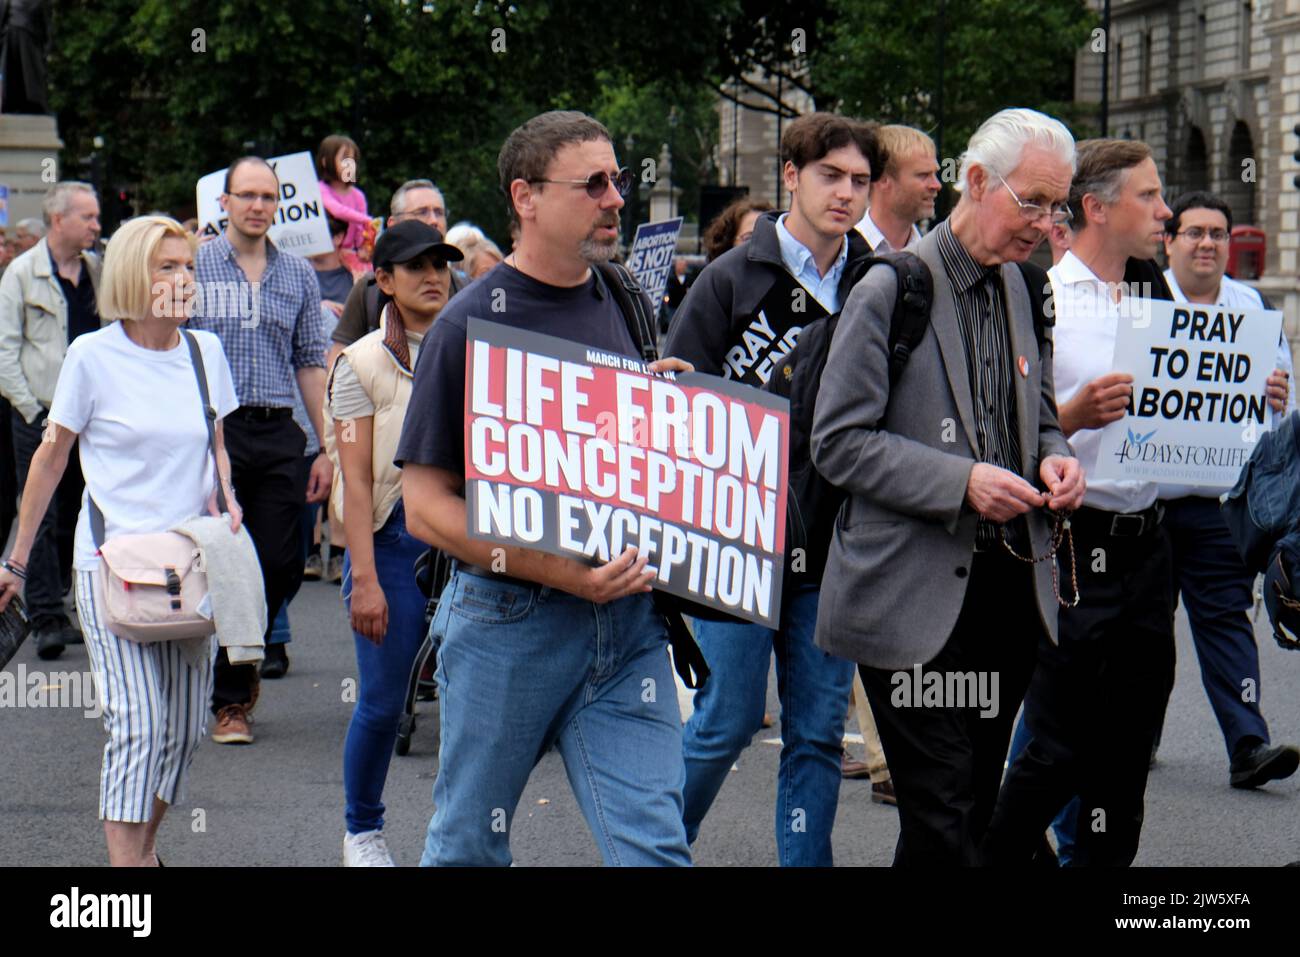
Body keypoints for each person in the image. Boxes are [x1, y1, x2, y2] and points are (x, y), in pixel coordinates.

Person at [396, 109, 694, 867]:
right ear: (525, 196)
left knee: (656, 851)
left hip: (628, 629)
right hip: (509, 627)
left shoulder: (624, 296)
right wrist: (561, 573)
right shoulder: (467, 325)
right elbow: (427, 510)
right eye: (593, 183)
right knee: (468, 845)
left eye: (617, 180)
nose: (615, 199)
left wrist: (666, 415)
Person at [812, 108, 1085, 866]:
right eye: (1031, 200)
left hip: (1005, 598)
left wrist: (1056, 459)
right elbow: (838, 442)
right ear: (974, 182)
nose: (1043, 222)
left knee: (957, 816)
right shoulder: (892, 287)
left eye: (1056, 205)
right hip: (910, 601)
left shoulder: (1028, 290)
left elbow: (1042, 420)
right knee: (943, 812)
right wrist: (961, 481)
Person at [663, 111, 877, 866]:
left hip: (833, 537)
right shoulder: (728, 278)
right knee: (725, 718)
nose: (845, 194)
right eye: (830, 176)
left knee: (817, 729)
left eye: (859, 181)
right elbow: (675, 395)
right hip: (735, 532)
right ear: (791, 176)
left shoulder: (877, 281)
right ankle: (652, 848)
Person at [0, 215, 241, 866]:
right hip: (110, 565)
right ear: (137, 275)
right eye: (168, 267)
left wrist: (229, 497)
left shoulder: (205, 355)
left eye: (189, 266)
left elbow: (216, 448)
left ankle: (148, 848)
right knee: (137, 724)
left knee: (187, 729)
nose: (184, 278)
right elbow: (50, 461)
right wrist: (16, 560)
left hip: (190, 566)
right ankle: (126, 875)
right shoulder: (93, 356)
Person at [983, 139, 1177, 867]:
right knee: (1057, 747)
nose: (1164, 211)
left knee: (1128, 752)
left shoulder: (1159, 296)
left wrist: (1249, 398)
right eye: (1149, 197)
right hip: (1070, 541)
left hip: (1149, 546)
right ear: (1096, 209)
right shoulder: (1042, 300)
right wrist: (1073, 415)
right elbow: (1004, 431)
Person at [325, 219, 461, 866]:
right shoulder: (360, 364)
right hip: (391, 547)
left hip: (467, 550)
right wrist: (366, 577)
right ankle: (363, 831)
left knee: (474, 705)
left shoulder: (473, 347)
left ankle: (465, 835)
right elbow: (354, 480)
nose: (434, 276)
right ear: (382, 280)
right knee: (381, 704)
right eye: (416, 266)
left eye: (442, 263)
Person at [1154, 190, 1299, 788]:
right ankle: (1135, 735)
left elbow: (1282, 413)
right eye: (1194, 232)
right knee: (1142, 629)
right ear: (1171, 241)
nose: (1207, 243)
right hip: (1148, 504)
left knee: (1225, 620)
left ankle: (1248, 744)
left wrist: (1279, 396)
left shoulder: (1253, 307)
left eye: (1217, 233)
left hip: (1221, 503)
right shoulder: (1143, 298)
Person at [188, 156, 330, 743]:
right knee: (214, 558)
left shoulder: (298, 274)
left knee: (280, 561)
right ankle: (231, 697)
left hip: (278, 432)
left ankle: (235, 661)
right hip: (208, 429)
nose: (257, 206)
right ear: (223, 203)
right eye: (245, 195)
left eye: (268, 197)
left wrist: (328, 448)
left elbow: (311, 363)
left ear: (279, 204)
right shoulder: (193, 265)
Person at [0, 181, 101, 659]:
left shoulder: (99, 272)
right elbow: (4, 351)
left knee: (79, 512)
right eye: (89, 217)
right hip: (38, 412)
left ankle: (59, 595)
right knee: (40, 512)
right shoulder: (22, 273)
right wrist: (32, 408)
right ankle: (44, 617)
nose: (97, 226)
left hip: (89, 418)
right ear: (58, 219)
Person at [330, 179, 459, 363]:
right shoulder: (368, 289)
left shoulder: (469, 289)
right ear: (385, 281)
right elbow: (339, 355)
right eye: (422, 212)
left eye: (439, 212)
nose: (433, 221)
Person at [855, 124, 941, 253]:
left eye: (935, 174)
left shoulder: (932, 255)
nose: (936, 185)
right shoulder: (842, 255)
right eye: (923, 175)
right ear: (883, 180)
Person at [316, 134, 370, 257]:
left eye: (353, 160)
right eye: (345, 159)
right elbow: (337, 211)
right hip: (324, 256)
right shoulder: (320, 189)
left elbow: (360, 229)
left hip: (349, 254)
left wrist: (363, 247)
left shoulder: (358, 195)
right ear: (325, 162)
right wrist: (367, 220)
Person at [701, 197, 773, 263]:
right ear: (729, 243)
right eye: (749, 238)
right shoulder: (714, 276)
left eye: (766, 237)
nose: (760, 245)